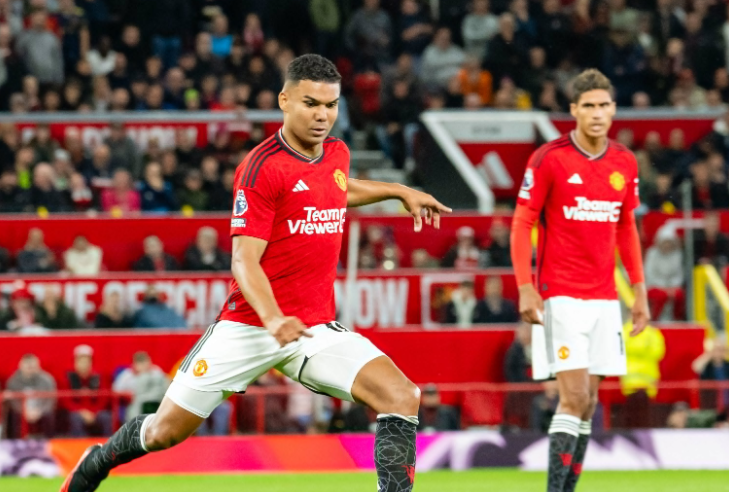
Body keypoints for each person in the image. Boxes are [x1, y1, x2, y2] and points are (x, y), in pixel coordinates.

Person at [63, 54, 451, 492]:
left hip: (312, 329)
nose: (322, 116)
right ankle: (98, 461)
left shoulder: (337, 154)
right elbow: (243, 261)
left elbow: (336, 189)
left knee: (402, 396)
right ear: (284, 100)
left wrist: (398, 191)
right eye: (310, 104)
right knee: (163, 432)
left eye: (330, 105)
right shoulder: (261, 168)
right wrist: (272, 318)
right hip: (249, 326)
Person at [511, 69, 649, 492]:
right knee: (572, 398)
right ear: (574, 110)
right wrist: (525, 285)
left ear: (614, 109)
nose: (597, 113)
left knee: (588, 403)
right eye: (588, 105)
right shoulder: (550, 158)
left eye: (604, 105)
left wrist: (639, 292)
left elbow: (626, 228)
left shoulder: (624, 161)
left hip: (605, 298)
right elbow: (522, 223)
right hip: (560, 296)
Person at [619, 320, 665, 429]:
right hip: (630, 383)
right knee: (632, 415)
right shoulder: (624, 331)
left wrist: (633, 347)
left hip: (646, 383)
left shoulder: (652, 332)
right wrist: (643, 347)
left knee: (645, 416)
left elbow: (658, 352)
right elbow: (619, 350)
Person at [5, 354, 57, 438]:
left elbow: (51, 400)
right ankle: (16, 440)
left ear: (38, 366)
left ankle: (49, 440)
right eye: (28, 367)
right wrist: (24, 411)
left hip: (40, 409)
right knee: (13, 415)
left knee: (49, 414)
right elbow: (13, 402)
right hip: (21, 410)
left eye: (32, 366)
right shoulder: (13, 381)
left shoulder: (47, 380)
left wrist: (40, 411)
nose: (30, 369)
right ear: (20, 366)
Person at [66, 345, 112, 437]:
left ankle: (108, 443)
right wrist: (81, 412)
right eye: (81, 361)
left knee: (106, 417)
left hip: (96, 412)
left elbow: (104, 399)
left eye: (86, 361)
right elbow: (66, 401)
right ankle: (79, 443)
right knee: (75, 418)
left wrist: (94, 412)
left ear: (91, 362)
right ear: (75, 362)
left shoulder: (98, 378)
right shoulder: (68, 378)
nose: (84, 364)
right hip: (78, 412)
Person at [112, 351, 169, 422]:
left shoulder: (156, 372)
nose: (143, 365)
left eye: (145, 361)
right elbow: (115, 390)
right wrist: (128, 394)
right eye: (140, 362)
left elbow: (167, 387)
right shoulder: (127, 375)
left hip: (156, 402)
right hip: (136, 404)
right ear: (134, 364)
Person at [644, 229, 685, 321]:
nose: (667, 245)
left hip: (671, 287)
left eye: (669, 243)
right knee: (661, 296)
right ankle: (654, 319)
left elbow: (679, 275)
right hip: (654, 286)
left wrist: (672, 286)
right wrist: (664, 287)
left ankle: (677, 320)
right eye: (665, 242)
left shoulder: (677, 255)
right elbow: (649, 274)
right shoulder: (652, 253)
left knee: (679, 294)